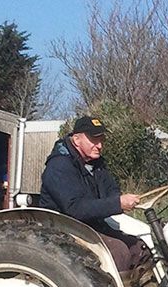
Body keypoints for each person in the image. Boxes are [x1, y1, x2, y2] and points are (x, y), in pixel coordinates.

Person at [39, 116, 147, 272]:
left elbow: (111, 190)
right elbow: (75, 208)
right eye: (94, 140)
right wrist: (117, 203)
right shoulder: (59, 166)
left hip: (90, 226)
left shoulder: (95, 164)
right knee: (118, 252)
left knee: (140, 247)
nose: (99, 145)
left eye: (101, 140)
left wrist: (120, 200)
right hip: (64, 229)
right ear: (76, 140)